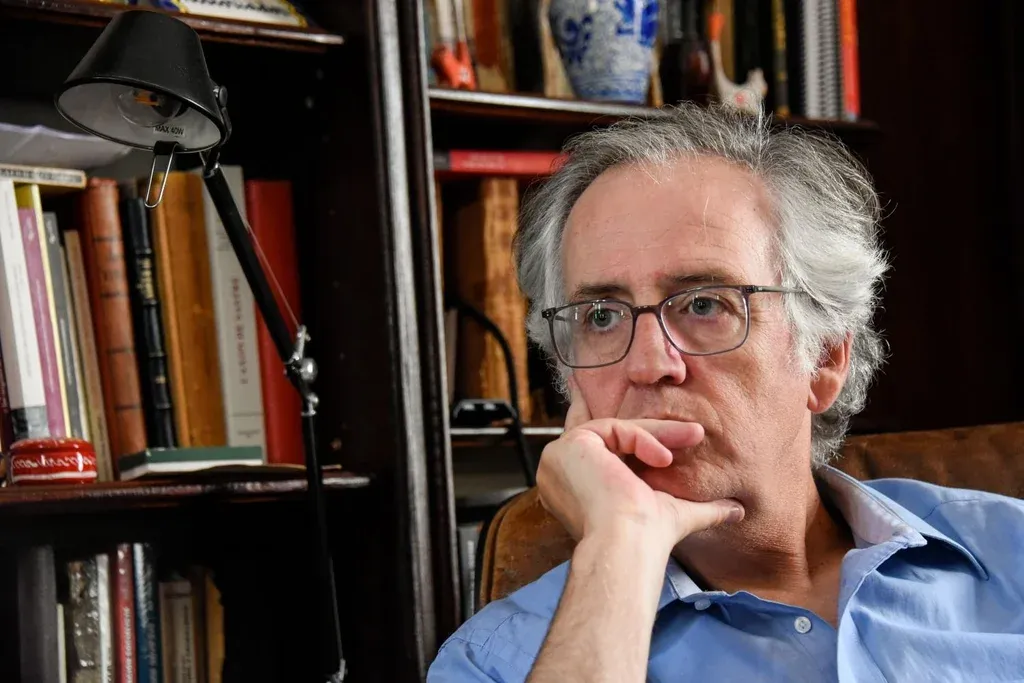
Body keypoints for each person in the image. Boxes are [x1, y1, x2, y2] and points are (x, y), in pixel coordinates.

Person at [427, 103, 1024, 682]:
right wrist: (622, 544)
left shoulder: (1011, 552)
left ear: (823, 357)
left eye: (704, 305)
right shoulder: (492, 663)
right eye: (601, 316)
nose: (649, 364)